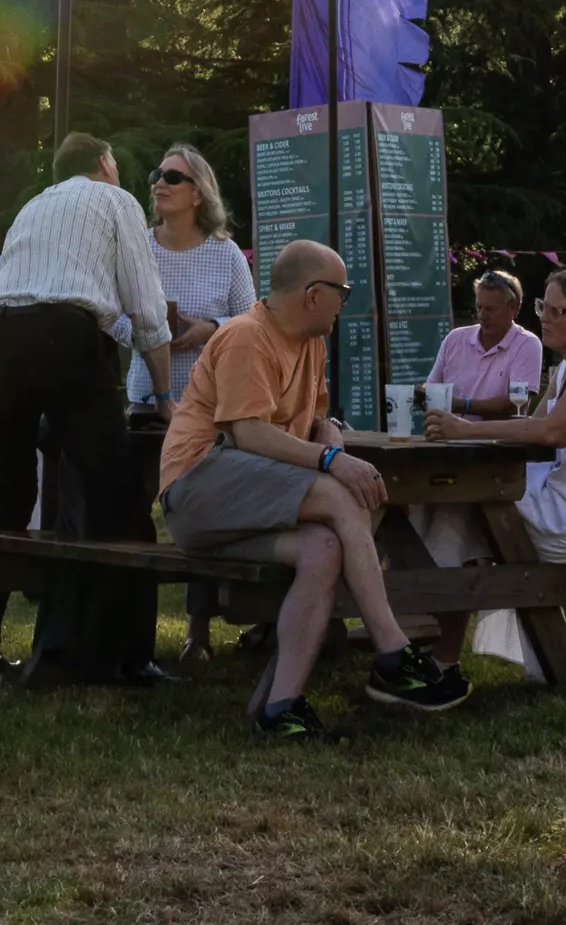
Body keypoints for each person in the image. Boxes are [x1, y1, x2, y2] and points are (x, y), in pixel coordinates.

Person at [153, 238, 467, 734]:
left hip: (246, 501)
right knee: (341, 492)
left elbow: (313, 417)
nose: (347, 301)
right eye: (343, 291)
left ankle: (281, 708)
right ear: (313, 294)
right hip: (198, 489)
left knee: (322, 548)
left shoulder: (312, 342)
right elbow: (248, 432)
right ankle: (392, 653)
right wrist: (331, 459)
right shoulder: (246, 336)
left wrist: (330, 432)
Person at [0, 133, 177, 686]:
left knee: (10, 491)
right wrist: (165, 398)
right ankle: (128, 656)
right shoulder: (115, 201)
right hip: (65, 335)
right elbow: (146, 308)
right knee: (120, 494)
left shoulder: (35, 205)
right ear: (106, 163)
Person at [419, 263, 566, 676]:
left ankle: (427, 638)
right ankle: (429, 641)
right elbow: (530, 432)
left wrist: (463, 428)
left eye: (557, 311)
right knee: (446, 505)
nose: (544, 317)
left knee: (462, 511)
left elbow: (552, 431)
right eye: (545, 306)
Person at [134, 144, 256, 407]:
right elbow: (112, 314)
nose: (160, 184)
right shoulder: (136, 248)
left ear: (198, 195)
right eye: (157, 176)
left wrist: (212, 329)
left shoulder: (227, 253)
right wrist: (141, 334)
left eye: (173, 178)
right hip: (147, 400)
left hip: (210, 403)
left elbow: (252, 324)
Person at [428, 270, 547, 420]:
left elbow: (516, 402)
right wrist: (422, 396)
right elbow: (433, 389)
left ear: (513, 308)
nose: (482, 316)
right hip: (447, 438)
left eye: (490, 309)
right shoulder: (455, 338)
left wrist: (462, 405)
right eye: (479, 308)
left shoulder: (526, 344)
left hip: (496, 441)